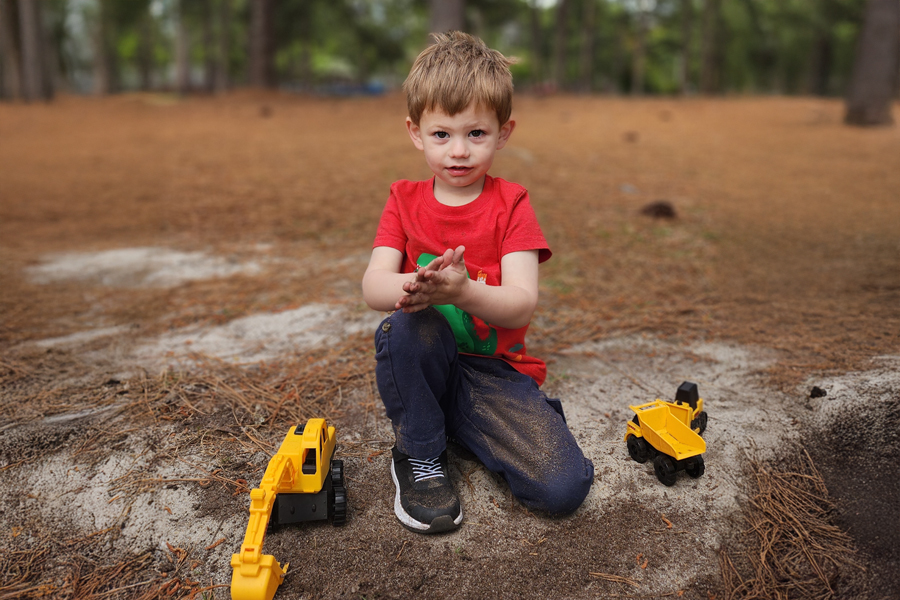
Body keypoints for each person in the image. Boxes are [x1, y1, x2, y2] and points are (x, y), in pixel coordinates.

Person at [362, 31, 594, 534]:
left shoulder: (512, 205)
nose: (459, 152)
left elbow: (519, 305)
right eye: (443, 134)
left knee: (562, 488)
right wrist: (417, 288)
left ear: (503, 132)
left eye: (477, 134)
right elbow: (373, 286)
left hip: (492, 371)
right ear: (416, 132)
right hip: (423, 355)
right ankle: (419, 453)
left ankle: (465, 426)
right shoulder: (403, 200)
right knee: (408, 327)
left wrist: (465, 293)